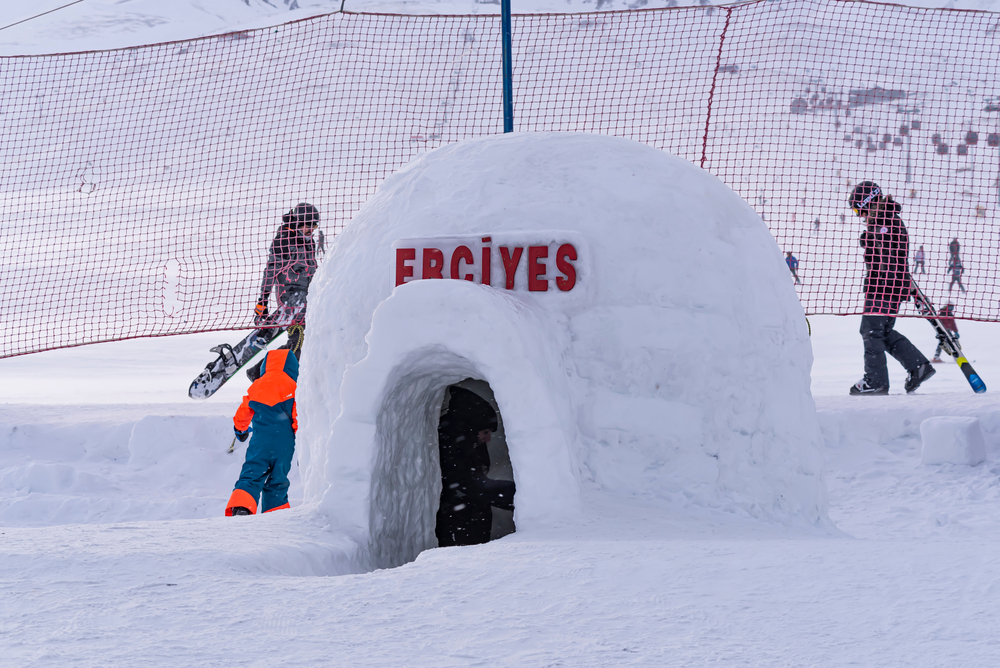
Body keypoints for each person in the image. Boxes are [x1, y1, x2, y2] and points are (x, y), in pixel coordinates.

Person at [848, 181, 934, 395]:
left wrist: (872, 238)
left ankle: (875, 381)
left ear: (870, 203)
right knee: (882, 332)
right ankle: (918, 366)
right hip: (890, 286)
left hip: (883, 286)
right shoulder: (883, 223)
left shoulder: (885, 224)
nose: (860, 216)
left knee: (870, 331)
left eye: (860, 210)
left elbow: (890, 258)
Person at [246, 203, 321, 382]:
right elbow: (270, 272)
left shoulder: (307, 239)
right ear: (297, 222)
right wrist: (262, 302)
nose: (310, 229)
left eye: (314, 225)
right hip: (291, 298)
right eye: (307, 224)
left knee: (301, 343)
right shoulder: (284, 241)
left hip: (307, 296)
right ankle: (271, 376)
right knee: (299, 340)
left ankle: (259, 370)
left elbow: (310, 267)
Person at [436, 385, 516, 547]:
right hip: (459, 521)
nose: (488, 439)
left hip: (468, 516)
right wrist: (519, 496)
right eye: (485, 432)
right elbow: (473, 486)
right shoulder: (452, 448)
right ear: (470, 428)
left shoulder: (468, 444)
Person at [225, 349, 299, 516]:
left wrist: (240, 429)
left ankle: (241, 507)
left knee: (252, 472)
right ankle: (275, 514)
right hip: (284, 445)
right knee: (278, 480)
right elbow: (297, 418)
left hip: (260, 442)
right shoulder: (293, 387)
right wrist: (302, 443)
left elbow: (243, 411)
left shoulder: (257, 386)